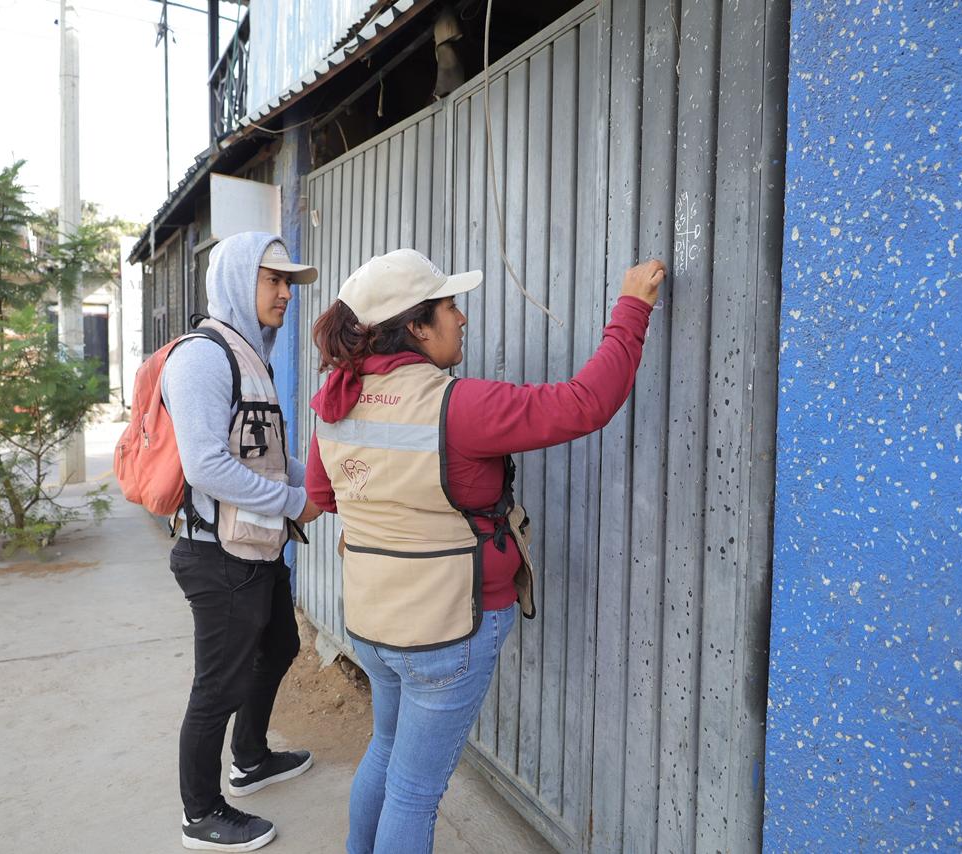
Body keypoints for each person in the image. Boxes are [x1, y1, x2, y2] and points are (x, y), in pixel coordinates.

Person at [304, 248, 666, 853]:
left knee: (386, 752)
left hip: (372, 622)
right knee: (415, 794)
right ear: (416, 327)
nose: (461, 318)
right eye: (449, 307)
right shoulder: (458, 406)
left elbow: (325, 494)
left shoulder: (336, 405)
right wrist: (631, 308)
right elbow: (586, 404)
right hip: (447, 629)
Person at [162, 231, 324, 852]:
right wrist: (292, 503)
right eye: (273, 280)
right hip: (217, 555)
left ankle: (251, 758)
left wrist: (329, 488)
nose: (286, 293)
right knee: (217, 687)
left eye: (288, 282)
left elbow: (266, 461)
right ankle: (200, 814)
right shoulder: (204, 357)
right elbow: (204, 464)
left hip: (256, 547)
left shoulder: (253, 354)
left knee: (280, 644)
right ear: (236, 280)